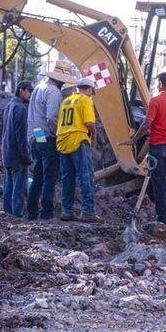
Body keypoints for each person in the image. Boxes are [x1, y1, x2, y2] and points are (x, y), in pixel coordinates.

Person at [121, 72, 166, 226]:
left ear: (161, 84)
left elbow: (147, 124)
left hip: (158, 146)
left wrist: (134, 139)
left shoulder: (156, 101)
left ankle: (162, 219)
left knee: (159, 184)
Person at [26, 60, 76, 220]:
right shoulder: (54, 92)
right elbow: (52, 117)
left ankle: (32, 211)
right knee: (50, 176)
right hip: (47, 137)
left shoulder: (39, 88)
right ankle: (46, 212)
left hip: (36, 136)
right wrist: (59, 135)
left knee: (38, 175)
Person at [56, 76, 100, 223]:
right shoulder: (85, 100)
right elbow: (89, 123)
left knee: (68, 178)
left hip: (63, 141)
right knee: (86, 176)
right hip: (78, 139)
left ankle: (66, 210)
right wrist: (94, 134)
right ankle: (88, 211)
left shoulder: (66, 101)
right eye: (91, 91)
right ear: (89, 89)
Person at [1, 80, 34, 217]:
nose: (30, 94)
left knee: (8, 188)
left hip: (7, 153)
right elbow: (21, 136)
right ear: (21, 90)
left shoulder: (9, 106)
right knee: (18, 190)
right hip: (17, 156)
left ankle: (7, 215)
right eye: (29, 91)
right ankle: (16, 217)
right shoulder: (20, 109)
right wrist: (26, 157)